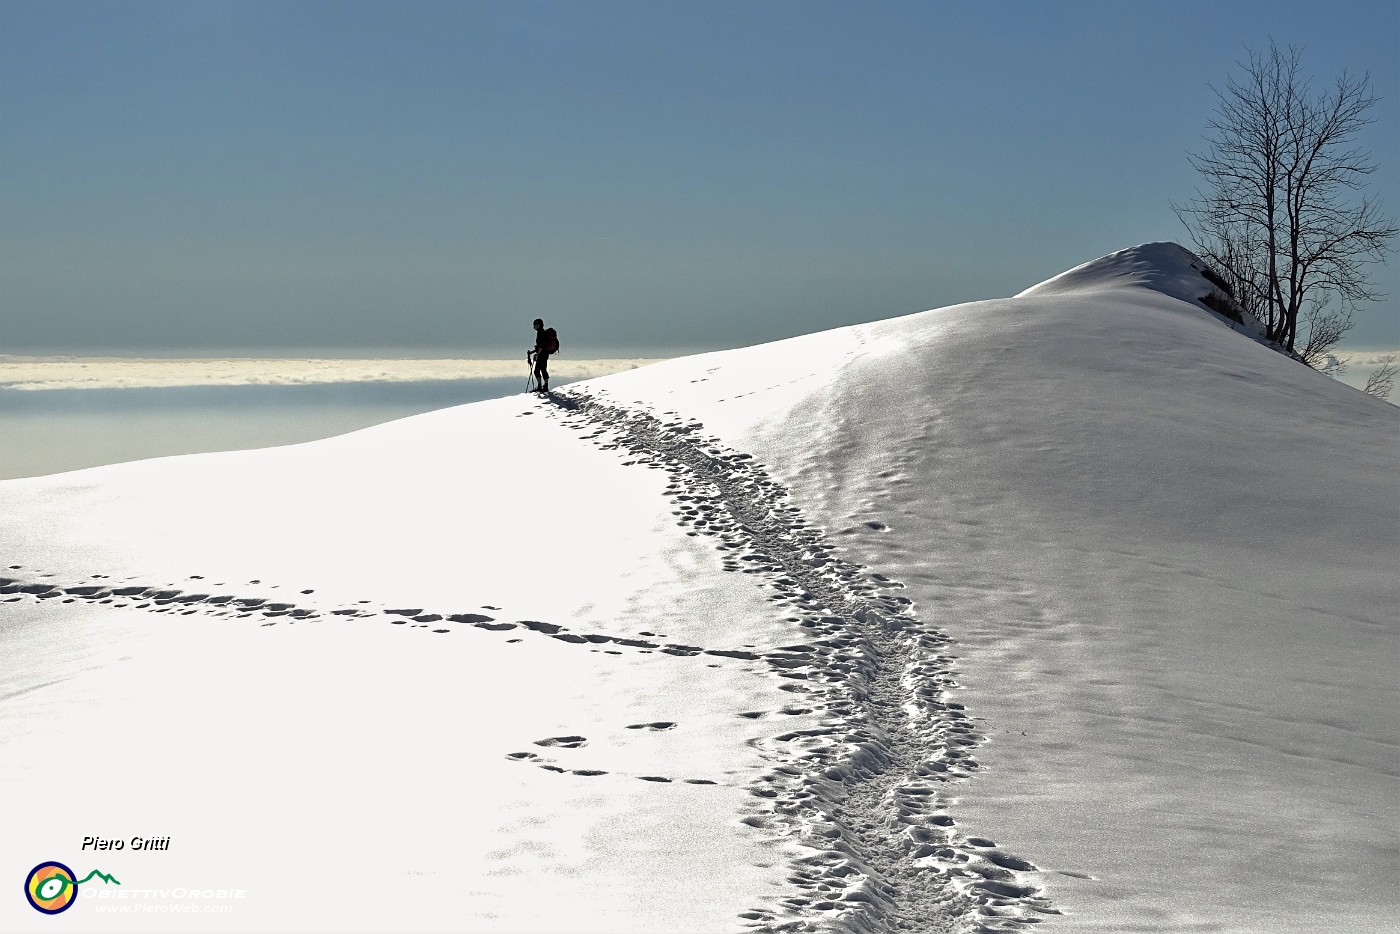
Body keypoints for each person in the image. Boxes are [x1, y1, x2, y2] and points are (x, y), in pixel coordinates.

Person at [528, 318, 551, 393]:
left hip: (542, 354)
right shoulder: (541, 333)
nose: (535, 326)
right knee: (542, 369)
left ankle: (541, 386)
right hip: (544, 354)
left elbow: (542, 345)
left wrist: (537, 354)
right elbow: (540, 346)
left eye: (536, 324)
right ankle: (544, 386)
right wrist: (533, 352)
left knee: (537, 371)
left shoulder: (541, 333)